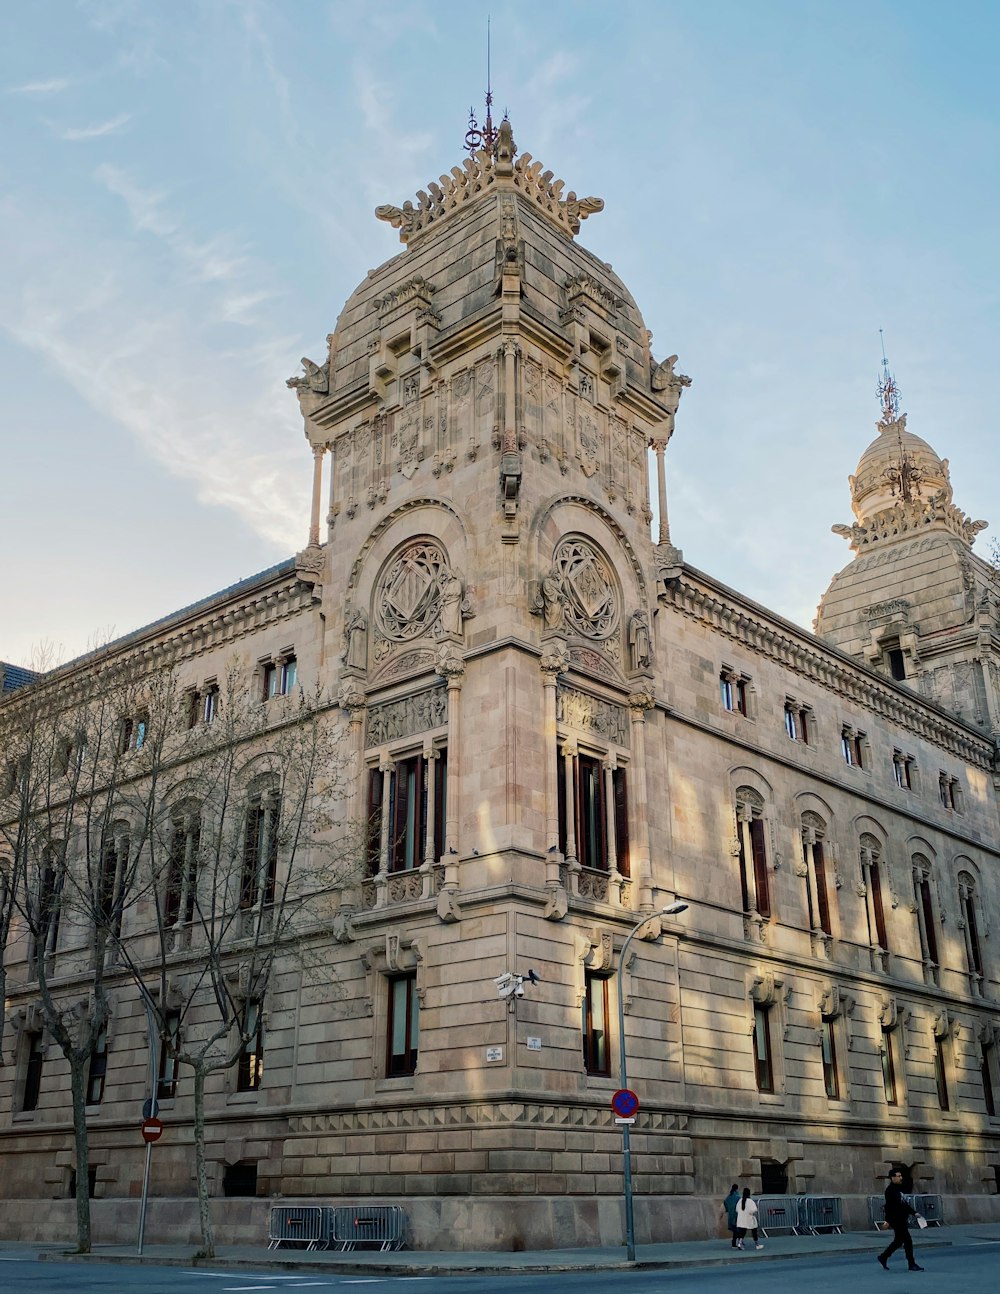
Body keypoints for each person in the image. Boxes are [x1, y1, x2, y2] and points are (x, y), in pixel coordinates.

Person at [877, 1169, 924, 1271]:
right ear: (892, 1178)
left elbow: (904, 1204)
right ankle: (911, 1264)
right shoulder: (890, 1190)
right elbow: (889, 1207)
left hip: (901, 1219)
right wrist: (887, 1221)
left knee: (898, 1241)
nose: (901, 1178)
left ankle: (883, 1256)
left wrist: (914, 1213)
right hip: (896, 1219)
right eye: (898, 1176)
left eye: (901, 1176)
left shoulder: (899, 1189)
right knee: (908, 1240)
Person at [722, 1183, 740, 1248]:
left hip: (731, 1215)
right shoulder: (738, 1196)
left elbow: (725, 1202)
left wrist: (728, 1209)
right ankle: (739, 1242)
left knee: (734, 1229)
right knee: (738, 1229)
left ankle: (734, 1242)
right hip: (736, 1214)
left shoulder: (730, 1196)